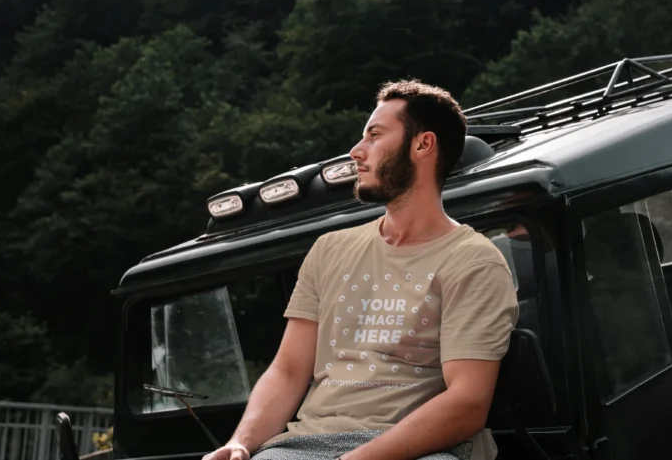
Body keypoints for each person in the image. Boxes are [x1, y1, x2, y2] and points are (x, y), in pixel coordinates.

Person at [203, 80, 519, 460]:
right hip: (303, 446)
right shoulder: (329, 249)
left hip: (421, 449)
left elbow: (467, 403)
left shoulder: (474, 261)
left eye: (375, 135)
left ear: (423, 145)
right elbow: (288, 372)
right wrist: (242, 442)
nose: (356, 151)